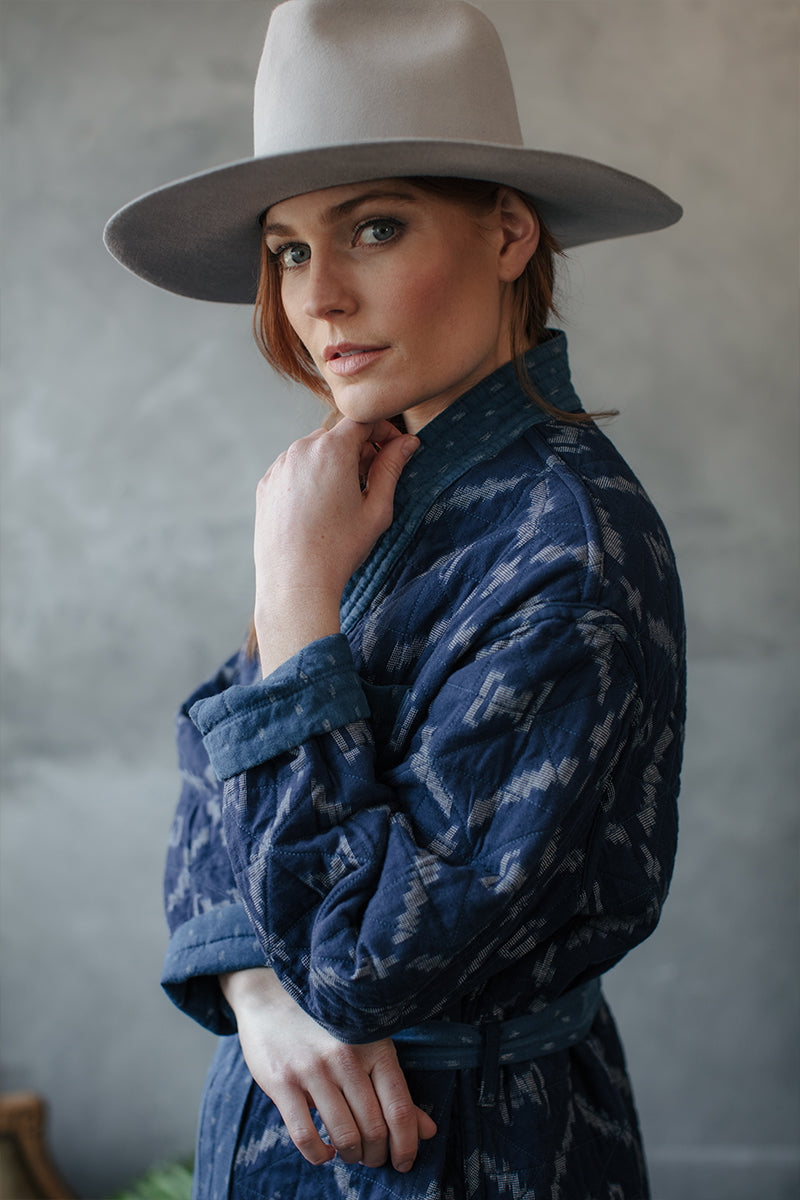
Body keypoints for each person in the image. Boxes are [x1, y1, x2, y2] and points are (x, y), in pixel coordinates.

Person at [104, 2, 686, 1197]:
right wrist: (255, 990)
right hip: (292, 1134)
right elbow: (208, 760)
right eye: (288, 250)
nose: (317, 297)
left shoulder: (563, 557)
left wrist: (292, 591)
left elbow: (367, 964)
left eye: (373, 227)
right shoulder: (363, 484)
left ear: (508, 233)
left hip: (448, 1152)